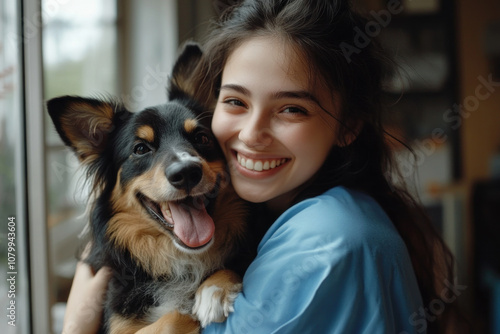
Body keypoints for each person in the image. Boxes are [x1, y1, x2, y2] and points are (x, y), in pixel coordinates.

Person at [63, 0, 467, 333]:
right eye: (236, 102)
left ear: (347, 127)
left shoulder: (326, 243)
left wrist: (78, 324)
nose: (252, 134)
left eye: (292, 109)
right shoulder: (295, 218)